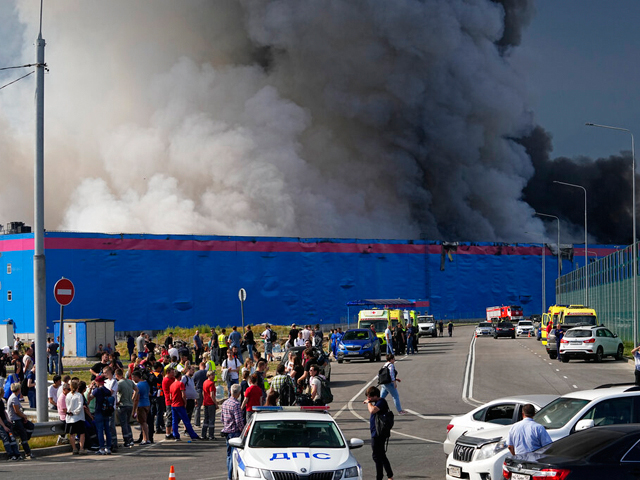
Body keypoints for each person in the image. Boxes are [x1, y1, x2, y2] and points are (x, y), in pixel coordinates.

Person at [364, 385, 393, 480]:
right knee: (381, 455)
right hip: (376, 432)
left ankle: (379, 477)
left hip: (378, 434)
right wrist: (370, 401)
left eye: (370, 397)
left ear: (376, 395)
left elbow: (372, 410)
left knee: (377, 456)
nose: (369, 399)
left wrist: (368, 403)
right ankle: (390, 475)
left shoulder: (381, 402)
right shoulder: (377, 402)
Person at [221, 384, 245, 480]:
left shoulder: (225, 403)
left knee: (228, 455)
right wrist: (243, 431)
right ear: (239, 393)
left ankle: (229, 475)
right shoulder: (236, 404)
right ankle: (230, 476)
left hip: (226, 430)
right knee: (234, 455)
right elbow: (238, 420)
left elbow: (222, 418)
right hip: (234, 432)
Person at [168, 370, 201, 441]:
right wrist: (185, 402)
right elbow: (183, 394)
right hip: (179, 404)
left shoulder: (172, 385)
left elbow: (170, 396)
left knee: (175, 421)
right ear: (180, 377)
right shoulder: (180, 384)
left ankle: (176, 435)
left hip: (173, 404)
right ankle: (193, 435)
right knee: (186, 420)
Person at [89, 375, 113, 455]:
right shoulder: (107, 390)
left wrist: (90, 389)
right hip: (106, 412)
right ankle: (108, 448)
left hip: (99, 411)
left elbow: (89, 398)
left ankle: (102, 448)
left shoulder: (97, 390)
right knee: (107, 430)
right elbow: (111, 394)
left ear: (97, 382)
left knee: (100, 431)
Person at [115, 368, 138, 448]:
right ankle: (130, 439)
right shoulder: (130, 381)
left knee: (123, 424)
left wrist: (117, 402)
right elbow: (136, 389)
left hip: (122, 405)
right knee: (127, 423)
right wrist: (133, 398)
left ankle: (127, 440)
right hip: (130, 404)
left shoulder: (119, 383)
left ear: (117, 375)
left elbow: (115, 392)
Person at [65, 379, 88, 454]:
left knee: (72, 434)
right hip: (78, 417)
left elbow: (67, 405)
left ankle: (74, 448)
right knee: (82, 433)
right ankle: (81, 448)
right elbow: (80, 406)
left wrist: (70, 412)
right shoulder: (79, 395)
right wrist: (75, 412)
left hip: (70, 417)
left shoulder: (68, 395)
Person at [0, 386, 22, 460]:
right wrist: (4, 426)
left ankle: (17, 454)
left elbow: (4, 412)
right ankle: (11, 455)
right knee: (5, 439)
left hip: (5, 421)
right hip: (1, 424)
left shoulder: (1, 401)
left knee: (12, 437)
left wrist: (8, 419)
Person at [132, 370, 151, 445]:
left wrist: (134, 410)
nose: (133, 379)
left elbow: (136, 398)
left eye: (133, 377)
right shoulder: (146, 383)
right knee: (144, 422)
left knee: (143, 422)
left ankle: (146, 439)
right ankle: (145, 438)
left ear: (137, 377)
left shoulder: (139, 386)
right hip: (147, 403)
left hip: (141, 405)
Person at [201, 371, 218, 440]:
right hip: (210, 403)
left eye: (214, 375)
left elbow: (203, 392)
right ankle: (211, 435)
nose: (213, 376)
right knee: (211, 419)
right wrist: (216, 403)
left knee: (206, 419)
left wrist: (204, 399)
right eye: (212, 375)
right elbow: (212, 395)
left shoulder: (205, 382)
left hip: (205, 402)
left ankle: (203, 434)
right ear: (208, 375)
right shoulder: (211, 384)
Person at [192, 362, 208, 427]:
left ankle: (197, 422)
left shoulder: (196, 373)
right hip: (206, 391)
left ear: (200, 366)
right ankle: (206, 421)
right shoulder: (207, 373)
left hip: (199, 390)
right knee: (206, 406)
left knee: (197, 407)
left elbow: (193, 381)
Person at [162, 367, 176, 440]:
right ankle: (168, 433)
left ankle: (172, 432)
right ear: (168, 373)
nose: (173, 374)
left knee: (174, 417)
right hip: (169, 401)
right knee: (170, 417)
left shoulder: (171, 379)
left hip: (173, 400)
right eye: (172, 373)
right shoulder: (167, 380)